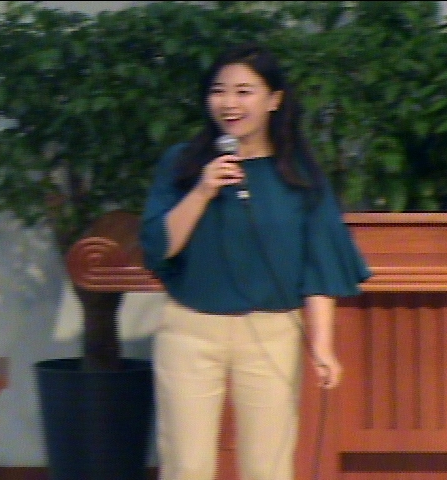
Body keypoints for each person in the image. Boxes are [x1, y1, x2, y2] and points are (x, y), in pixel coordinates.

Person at [139, 41, 372, 480]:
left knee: (268, 466)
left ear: (274, 99)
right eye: (218, 91)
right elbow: (158, 246)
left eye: (244, 91)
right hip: (190, 330)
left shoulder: (298, 172)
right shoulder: (182, 164)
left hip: (273, 333)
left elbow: (320, 261)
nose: (229, 103)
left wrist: (323, 346)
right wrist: (203, 190)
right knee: (186, 465)